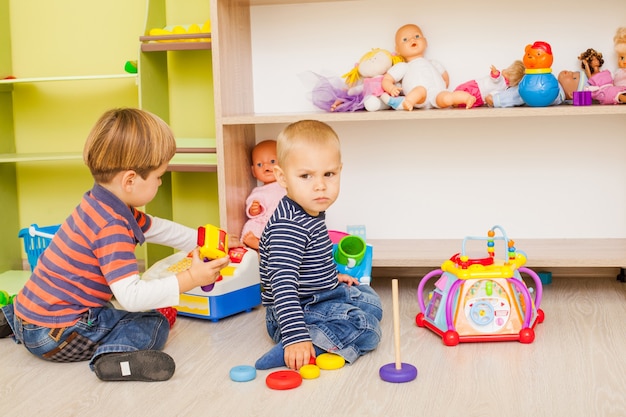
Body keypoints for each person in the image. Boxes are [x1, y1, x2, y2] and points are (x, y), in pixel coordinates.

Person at [0, 108, 230, 382]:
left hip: (27, 315)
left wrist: (201, 241)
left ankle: (8, 320)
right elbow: (130, 297)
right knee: (152, 322)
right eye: (158, 176)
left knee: (82, 304)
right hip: (56, 335)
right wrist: (190, 278)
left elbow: (157, 227)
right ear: (130, 180)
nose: (160, 181)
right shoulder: (113, 226)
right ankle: (113, 358)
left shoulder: (100, 202)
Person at [254, 120, 383, 371]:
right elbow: (283, 285)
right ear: (282, 177)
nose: (320, 185)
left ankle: (322, 332)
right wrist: (295, 336)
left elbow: (308, 261)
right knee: (368, 329)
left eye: (329, 174)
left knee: (372, 302)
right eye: (305, 176)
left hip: (321, 292)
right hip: (296, 309)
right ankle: (303, 344)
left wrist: (333, 275)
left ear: (339, 170)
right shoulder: (288, 227)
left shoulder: (310, 207)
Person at [381, 23, 477, 110]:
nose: (412, 40)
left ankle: (467, 98)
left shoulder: (433, 63)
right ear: (398, 50)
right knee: (420, 90)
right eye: (405, 39)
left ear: (425, 42)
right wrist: (391, 88)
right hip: (420, 97)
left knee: (447, 97)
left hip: (437, 94)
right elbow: (387, 80)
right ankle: (409, 102)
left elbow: (445, 77)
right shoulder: (403, 66)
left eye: (417, 36)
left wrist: (444, 86)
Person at [240, 139, 286, 250]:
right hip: (264, 222)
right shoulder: (258, 191)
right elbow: (252, 202)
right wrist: (254, 209)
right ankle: (258, 244)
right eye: (259, 164)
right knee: (251, 226)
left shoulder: (288, 185)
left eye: (272, 161)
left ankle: (262, 246)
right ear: (253, 171)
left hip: (281, 222)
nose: (266, 167)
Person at [455, 61, 525, 107]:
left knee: (462, 91)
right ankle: (456, 103)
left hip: (478, 87)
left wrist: (495, 73)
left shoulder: (502, 80)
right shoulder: (504, 88)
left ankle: (455, 101)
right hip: (480, 96)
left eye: (507, 71)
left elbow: (496, 79)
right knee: (466, 99)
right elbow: (494, 92)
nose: (504, 70)